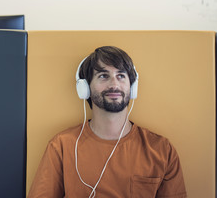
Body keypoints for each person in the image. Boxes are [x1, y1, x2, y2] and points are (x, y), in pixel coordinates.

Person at [28, 46, 187, 198]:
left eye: (121, 76)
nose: (114, 84)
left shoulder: (161, 150)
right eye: (103, 75)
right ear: (85, 88)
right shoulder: (62, 146)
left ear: (132, 87)